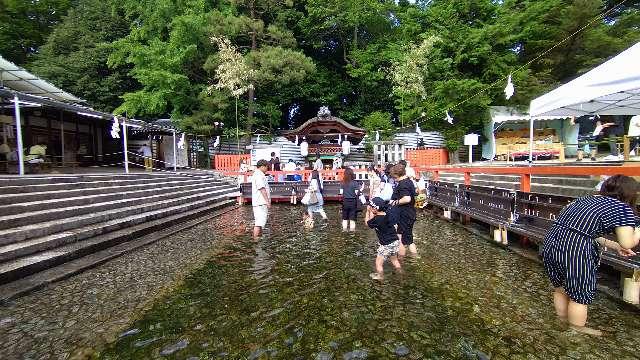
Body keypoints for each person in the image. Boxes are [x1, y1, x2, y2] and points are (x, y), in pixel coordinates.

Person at [541, 175, 640, 336]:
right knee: (579, 297)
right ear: (630, 194)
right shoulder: (622, 208)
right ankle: (575, 332)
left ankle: (561, 322)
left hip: (552, 242)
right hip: (574, 250)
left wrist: (614, 246)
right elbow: (628, 242)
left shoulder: (585, 200)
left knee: (560, 288)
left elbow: (583, 230)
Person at [366, 197, 402, 280]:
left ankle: (381, 278)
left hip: (386, 245)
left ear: (375, 209)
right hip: (395, 241)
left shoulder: (377, 220)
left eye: (371, 207)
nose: (370, 208)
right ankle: (401, 274)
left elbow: (367, 223)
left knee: (378, 263)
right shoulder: (387, 214)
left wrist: (367, 212)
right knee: (394, 260)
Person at [388, 164, 418, 257]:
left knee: (403, 239)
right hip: (410, 213)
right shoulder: (409, 181)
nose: (394, 179)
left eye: (394, 177)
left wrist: (394, 202)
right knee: (407, 239)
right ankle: (413, 258)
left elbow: (407, 198)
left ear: (397, 174)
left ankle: (403, 260)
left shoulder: (403, 184)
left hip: (405, 215)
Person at [252, 159, 272, 238]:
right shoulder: (259, 175)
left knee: (260, 223)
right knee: (259, 223)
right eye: (267, 167)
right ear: (262, 166)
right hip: (260, 202)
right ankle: (256, 240)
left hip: (259, 202)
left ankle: (258, 238)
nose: (267, 169)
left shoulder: (258, 174)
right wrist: (267, 202)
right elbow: (262, 189)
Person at [341, 167, 360, 231]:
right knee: (352, 219)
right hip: (353, 202)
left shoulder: (343, 183)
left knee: (344, 218)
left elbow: (341, 193)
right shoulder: (355, 183)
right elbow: (356, 193)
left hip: (345, 201)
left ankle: (344, 231)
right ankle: (352, 234)